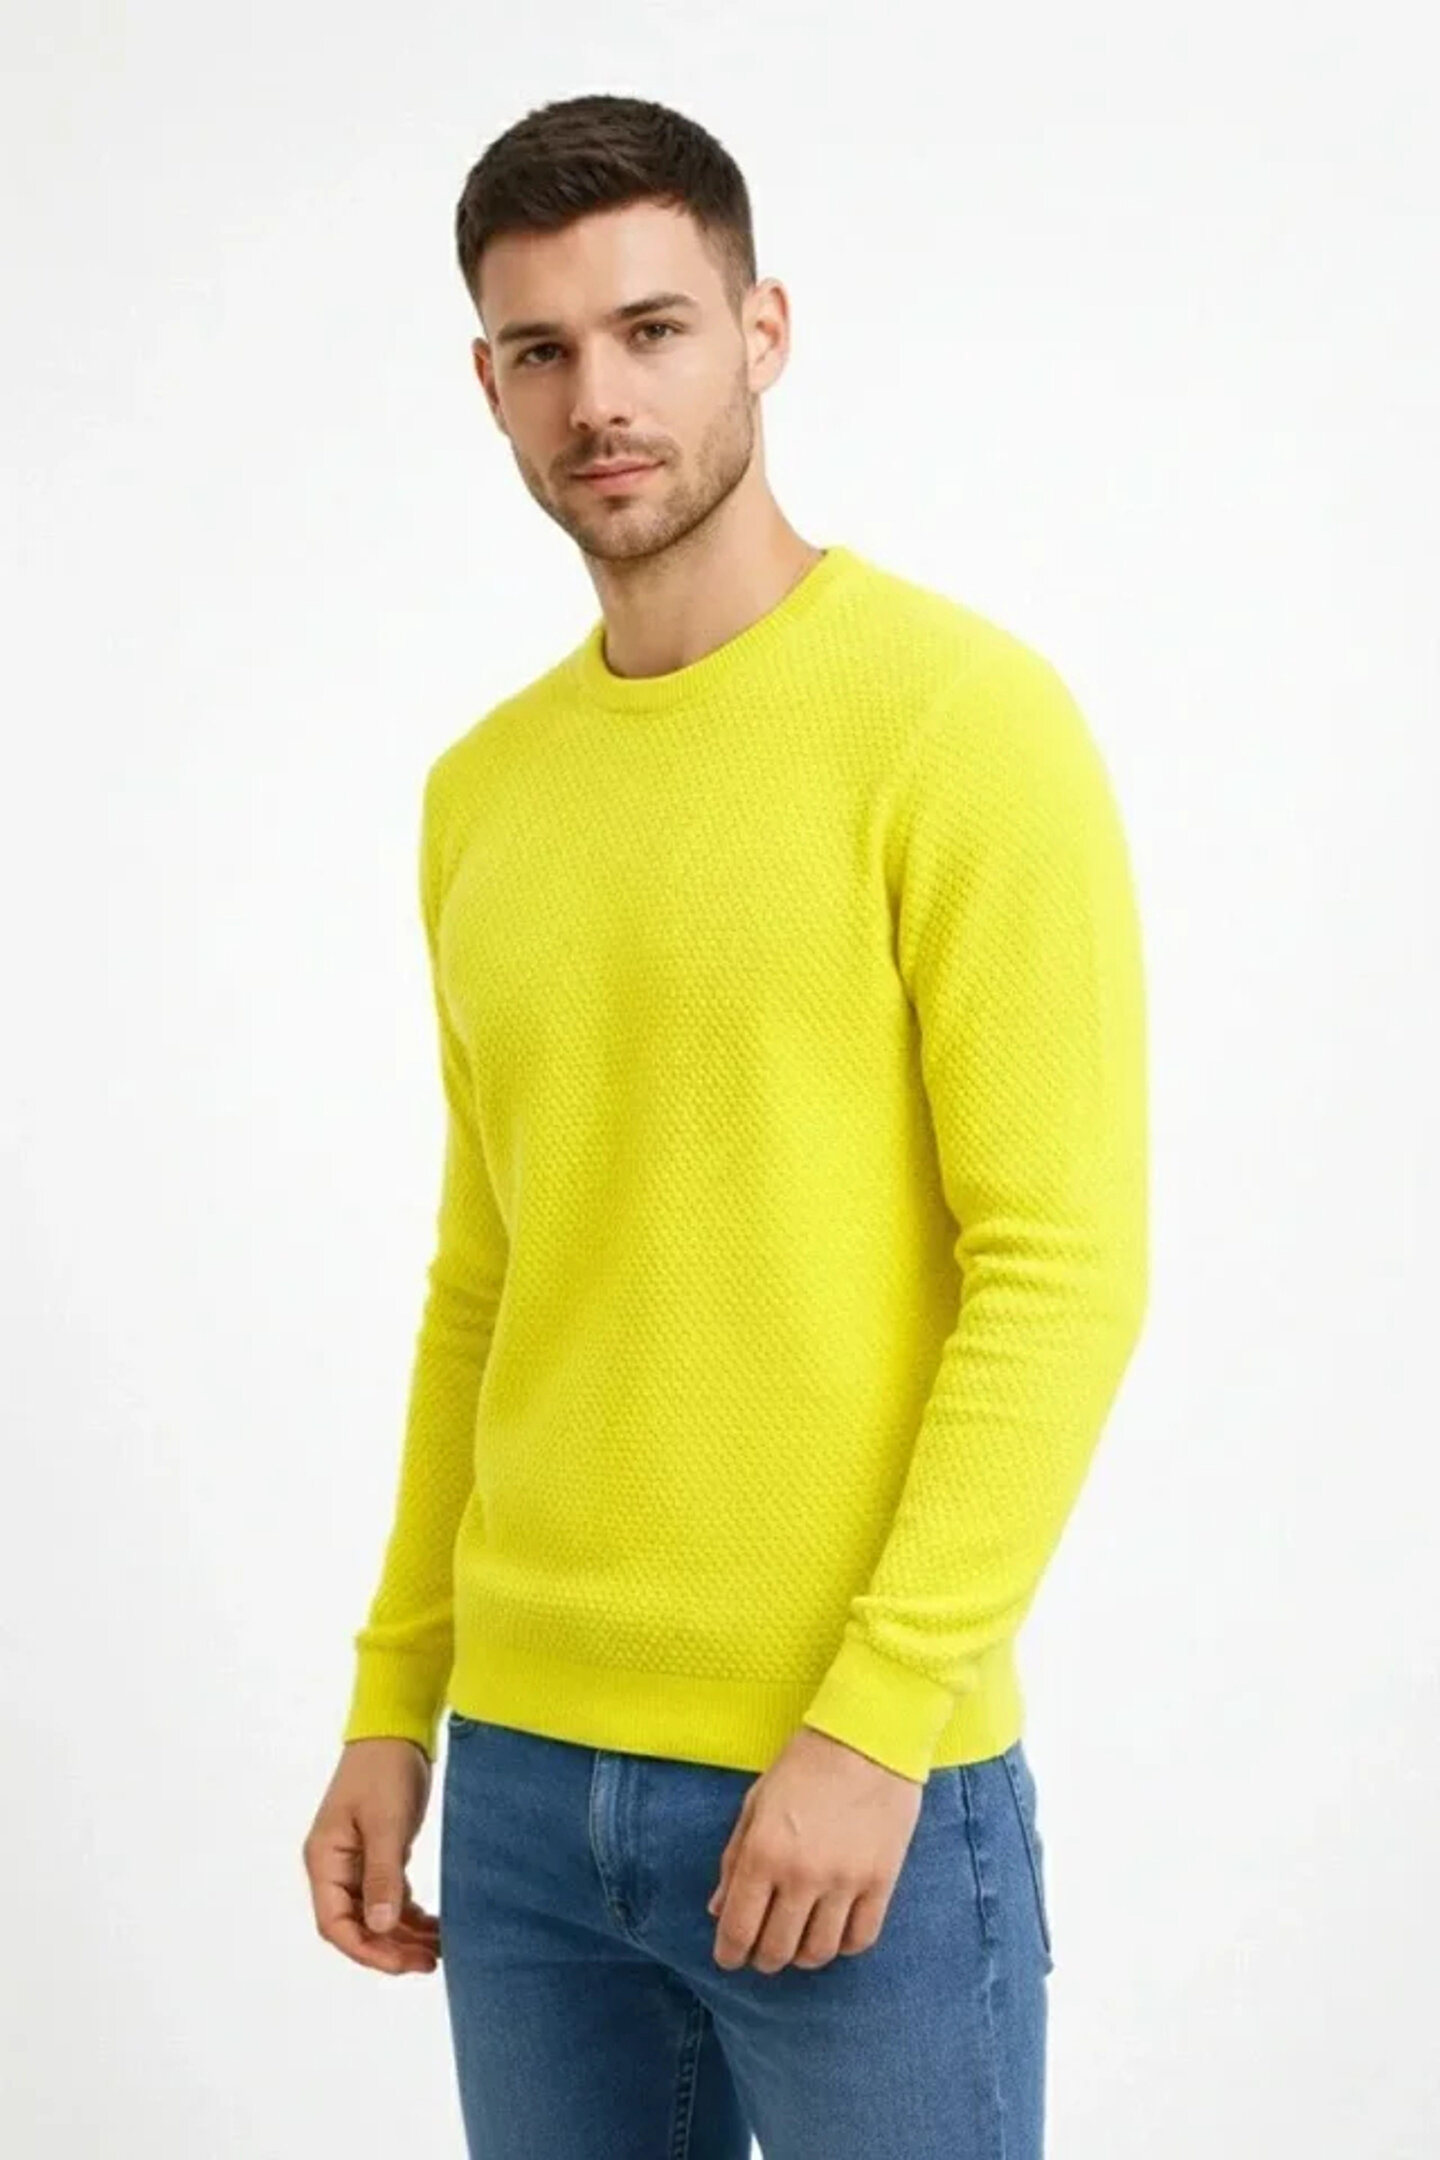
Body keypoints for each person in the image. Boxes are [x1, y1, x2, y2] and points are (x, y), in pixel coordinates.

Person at [301, 89, 1148, 2160]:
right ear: (487, 385)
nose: (599, 397)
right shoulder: (483, 794)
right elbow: (488, 1282)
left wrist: (881, 1719)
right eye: (543, 349)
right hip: (518, 1794)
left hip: (848, 1781)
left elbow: (1063, 1270)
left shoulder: (959, 723)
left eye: (653, 330)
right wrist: (395, 1701)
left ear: (764, 331)